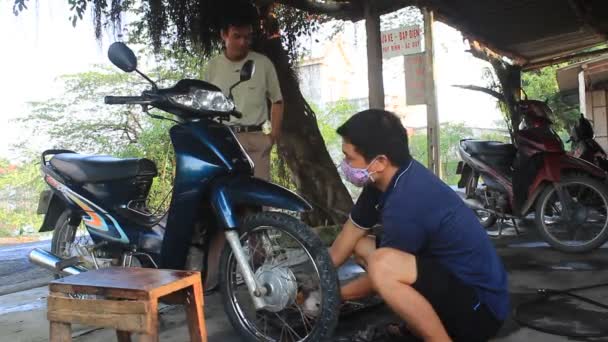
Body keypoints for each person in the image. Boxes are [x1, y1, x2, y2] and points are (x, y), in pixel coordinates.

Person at [329, 109, 510, 341]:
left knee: (382, 265)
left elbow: (381, 274)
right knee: (361, 246)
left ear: (380, 162)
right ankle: (422, 322)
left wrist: (334, 296)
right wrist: (318, 276)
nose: (345, 165)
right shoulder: (386, 181)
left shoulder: (409, 198)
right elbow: (351, 232)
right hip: (449, 280)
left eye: (349, 158)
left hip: (480, 311)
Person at [204, 9, 283, 181]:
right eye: (237, 36)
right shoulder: (213, 67)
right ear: (224, 35)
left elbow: (277, 101)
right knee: (226, 196)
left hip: (256, 140)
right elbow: (205, 107)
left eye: (247, 37)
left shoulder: (263, 64)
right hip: (224, 140)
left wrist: (272, 137)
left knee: (260, 199)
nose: (242, 42)